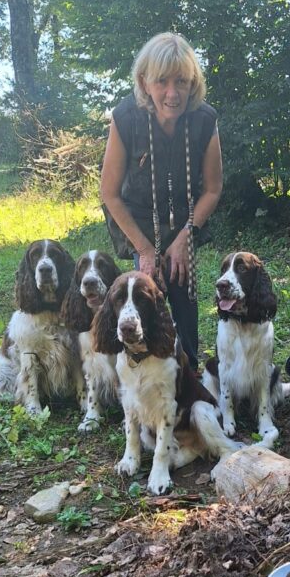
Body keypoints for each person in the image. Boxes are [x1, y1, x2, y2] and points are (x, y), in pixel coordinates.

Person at [100, 32, 223, 371]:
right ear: (144, 81)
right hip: (137, 223)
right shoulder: (125, 118)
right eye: (163, 82)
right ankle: (137, 377)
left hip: (185, 222)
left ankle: (188, 374)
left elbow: (212, 189)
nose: (173, 93)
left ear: (192, 82)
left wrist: (186, 236)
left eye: (181, 81)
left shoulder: (204, 120)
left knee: (183, 295)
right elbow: (109, 193)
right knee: (142, 301)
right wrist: (143, 250)